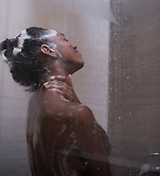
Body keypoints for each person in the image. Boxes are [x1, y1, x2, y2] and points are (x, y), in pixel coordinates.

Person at [0, 27, 112, 176]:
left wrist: (75, 99)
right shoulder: (77, 113)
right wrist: (78, 106)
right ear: (48, 50)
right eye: (65, 39)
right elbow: (106, 154)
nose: (74, 45)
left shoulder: (35, 103)